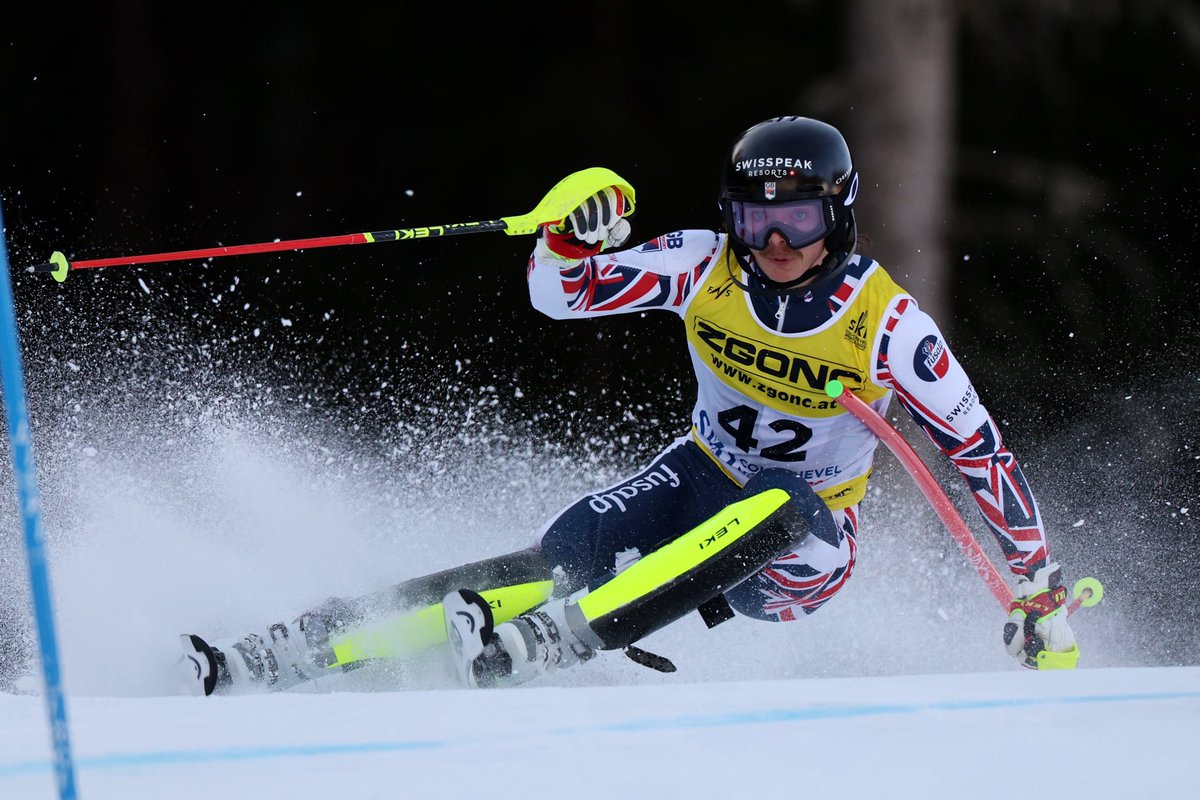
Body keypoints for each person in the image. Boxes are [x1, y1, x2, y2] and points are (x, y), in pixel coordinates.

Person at [182, 115, 1079, 696]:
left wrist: (1038, 588)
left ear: (836, 215)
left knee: (782, 502)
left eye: (796, 221)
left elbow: (980, 453)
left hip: (804, 547)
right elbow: (559, 294)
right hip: (697, 478)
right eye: (752, 217)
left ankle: (556, 640)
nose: (771, 241)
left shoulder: (887, 327)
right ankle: (315, 643)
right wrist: (568, 233)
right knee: (568, 548)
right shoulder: (702, 264)